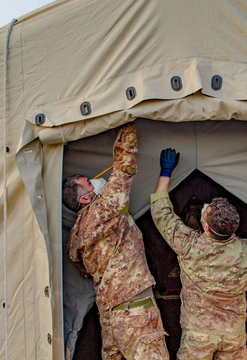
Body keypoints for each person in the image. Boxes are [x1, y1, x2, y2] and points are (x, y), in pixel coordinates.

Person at [149, 148, 247, 359]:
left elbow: (160, 212)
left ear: (206, 228)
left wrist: (165, 172)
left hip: (198, 336)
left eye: (205, 212)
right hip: (232, 336)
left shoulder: (189, 244)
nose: (204, 209)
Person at [63, 122, 169, 360]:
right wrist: (126, 124)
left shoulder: (74, 238)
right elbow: (124, 168)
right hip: (136, 313)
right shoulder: (105, 209)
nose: (94, 181)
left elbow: (85, 271)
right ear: (84, 199)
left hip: (110, 318)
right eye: (89, 183)